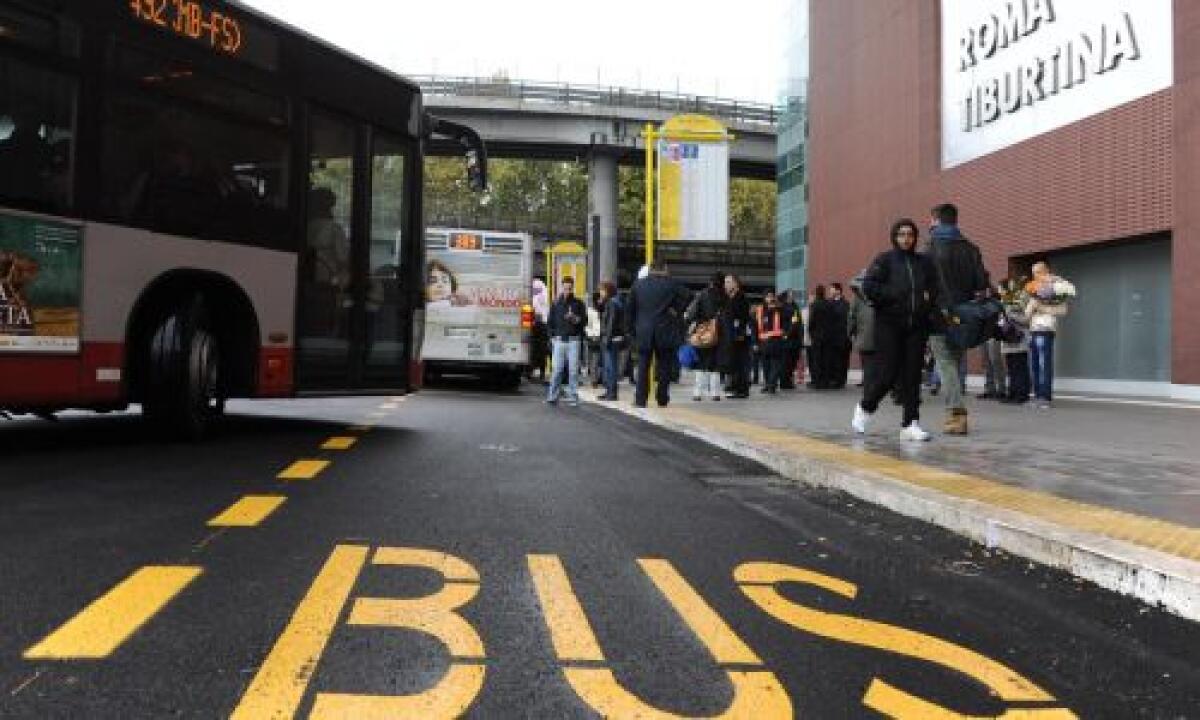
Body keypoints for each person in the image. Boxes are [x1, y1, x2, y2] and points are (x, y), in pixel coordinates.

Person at [852, 219, 941, 442]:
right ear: (894, 236)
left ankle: (910, 423)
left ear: (915, 237)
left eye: (910, 234)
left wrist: (928, 305)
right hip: (889, 325)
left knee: (912, 377)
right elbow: (869, 286)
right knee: (887, 375)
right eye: (901, 234)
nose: (906, 238)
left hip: (916, 326)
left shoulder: (924, 262)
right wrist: (893, 295)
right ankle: (865, 407)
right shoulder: (885, 260)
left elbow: (935, 288)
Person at [927, 202, 990, 435]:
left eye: (931, 220)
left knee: (945, 363)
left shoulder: (931, 245)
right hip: (964, 315)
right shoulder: (971, 248)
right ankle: (955, 411)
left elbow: (926, 280)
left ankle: (957, 413)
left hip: (939, 313)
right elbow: (981, 285)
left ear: (936, 220)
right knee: (955, 361)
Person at [626, 261, 690, 408]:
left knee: (643, 366)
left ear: (651, 270)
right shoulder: (671, 284)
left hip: (643, 331)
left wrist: (630, 330)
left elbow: (629, 310)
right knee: (664, 366)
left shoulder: (638, 285)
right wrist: (676, 310)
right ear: (664, 269)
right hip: (665, 330)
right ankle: (662, 397)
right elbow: (689, 295)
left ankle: (640, 399)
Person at [1025, 261, 1068, 409]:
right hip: (1033, 329)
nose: (1036, 275)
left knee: (1044, 364)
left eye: (1038, 271)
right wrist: (1030, 307)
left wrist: (1043, 307)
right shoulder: (1034, 288)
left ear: (1046, 271)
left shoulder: (1057, 287)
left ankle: (1045, 397)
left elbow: (1063, 310)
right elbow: (1027, 312)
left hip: (1046, 329)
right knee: (1035, 365)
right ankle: (1037, 396)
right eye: (1034, 272)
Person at [545, 276, 588, 406]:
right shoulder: (556, 303)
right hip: (559, 341)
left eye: (569, 288)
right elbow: (550, 322)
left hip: (574, 340)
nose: (567, 291)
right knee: (557, 370)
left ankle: (573, 397)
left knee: (573, 370)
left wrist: (574, 318)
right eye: (565, 288)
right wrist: (552, 337)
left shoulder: (578, 303)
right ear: (561, 287)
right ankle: (552, 396)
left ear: (572, 288)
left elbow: (584, 322)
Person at [685, 272, 727, 401]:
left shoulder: (702, 295)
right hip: (720, 333)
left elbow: (691, 314)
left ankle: (698, 393)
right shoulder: (725, 296)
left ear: (710, 282)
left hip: (704, 332)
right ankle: (715, 393)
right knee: (715, 364)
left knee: (701, 363)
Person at [998, 277, 1032, 405]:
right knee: (1011, 367)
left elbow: (1026, 319)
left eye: (1001, 287)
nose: (999, 290)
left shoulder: (1020, 300)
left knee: (1020, 367)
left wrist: (1010, 314)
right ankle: (1012, 393)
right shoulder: (1004, 302)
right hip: (1008, 339)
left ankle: (1022, 394)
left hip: (1019, 339)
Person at [719, 273, 752, 399]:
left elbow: (743, 318)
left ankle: (742, 389)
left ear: (735, 283)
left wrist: (740, 332)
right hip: (731, 335)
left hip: (739, 336)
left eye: (728, 282)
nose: (725, 285)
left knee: (741, 362)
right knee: (734, 362)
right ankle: (735, 387)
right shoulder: (729, 298)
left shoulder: (741, 298)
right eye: (725, 282)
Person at [756, 290, 792, 394]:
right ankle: (768, 384)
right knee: (766, 365)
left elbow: (789, 315)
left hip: (776, 341)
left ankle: (772, 384)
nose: (770, 299)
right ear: (764, 298)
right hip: (764, 342)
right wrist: (755, 342)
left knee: (775, 364)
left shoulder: (780, 309)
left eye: (772, 296)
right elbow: (754, 326)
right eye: (768, 296)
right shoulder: (760, 310)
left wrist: (777, 306)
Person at [847, 271, 876, 389]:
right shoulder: (878, 294)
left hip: (863, 336)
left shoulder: (856, 298)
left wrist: (850, 332)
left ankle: (868, 382)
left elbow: (851, 318)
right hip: (880, 335)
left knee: (866, 360)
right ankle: (873, 381)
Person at [806, 285, 833, 388]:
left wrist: (810, 333)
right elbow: (832, 321)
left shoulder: (814, 305)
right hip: (828, 336)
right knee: (826, 359)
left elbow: (811, 321)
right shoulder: (828, 304)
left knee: (817, 359)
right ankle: (825, 381)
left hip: (817, 336)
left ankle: (817, 382)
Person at [828, 283, 852, 388]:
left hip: (842, 338)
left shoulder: (845, 304)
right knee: (833, 359)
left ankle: (840, 380)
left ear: (838, 291)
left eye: (832, 289)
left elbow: (844, 319)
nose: (830, 291)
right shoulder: (829, 303)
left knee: (842, 360)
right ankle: (834, 379)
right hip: (832, 338)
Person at [780, 290, 803, 390]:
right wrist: (787, 334)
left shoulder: (795, 306)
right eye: (790, 295)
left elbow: (797, 322)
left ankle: (788, 380)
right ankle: (785, 382)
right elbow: (792, 323)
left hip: (795, 339)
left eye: (793, 295)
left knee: (792, 361)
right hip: (788, 339)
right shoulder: (784, 308)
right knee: (786, 362)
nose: (792, 297)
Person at [586, 291, 604, 388]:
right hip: (594, 338)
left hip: (603, 337)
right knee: (595, 360)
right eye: (600, 298)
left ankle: (600, 378)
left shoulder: (605, 309)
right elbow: (588, 326)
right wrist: (591, 336)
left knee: (601, 360)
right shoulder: (591, 311)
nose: (602, 300)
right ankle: (594, 380)